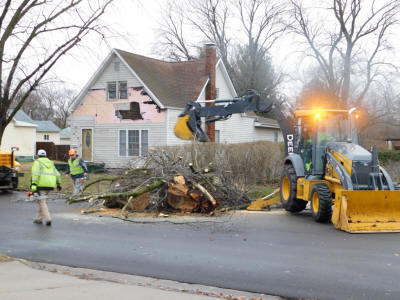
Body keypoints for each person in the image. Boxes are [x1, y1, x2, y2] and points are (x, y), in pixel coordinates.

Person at [31, 149, 61, 226]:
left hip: (41, 185)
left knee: (42, 202)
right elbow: (57, 174)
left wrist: (34, 184)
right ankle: (39, 219)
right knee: (44, 201)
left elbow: (35, 174)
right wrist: (58, 184)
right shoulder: (51, 163)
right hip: (50, 185)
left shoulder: (37, 162)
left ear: (38, 155)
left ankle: (48, 219)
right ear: (45, 155)